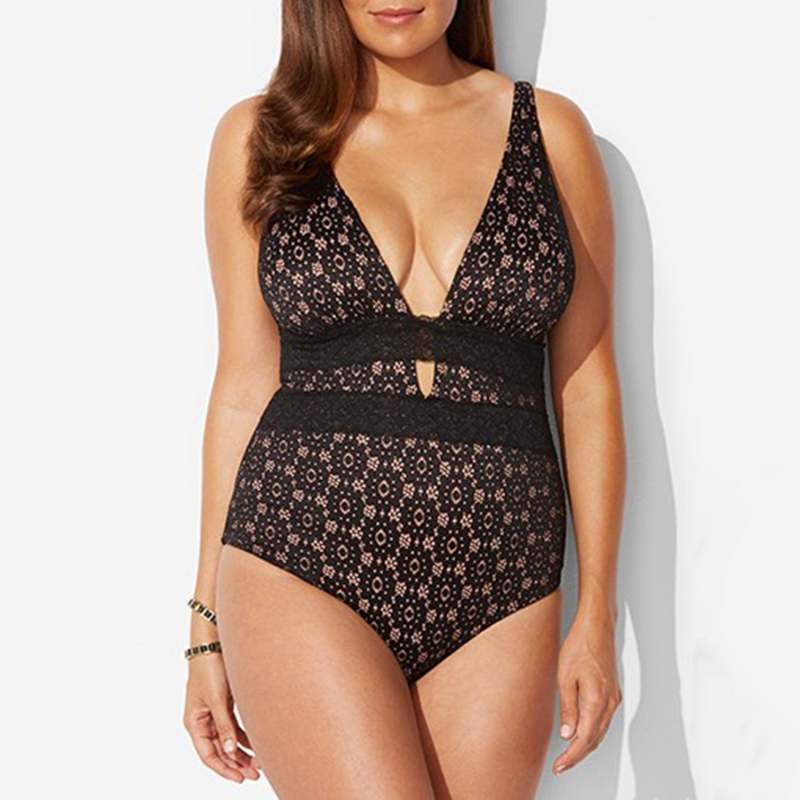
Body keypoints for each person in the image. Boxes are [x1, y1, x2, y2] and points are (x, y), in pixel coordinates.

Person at [183, 2, 625, 796]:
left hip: (504, 582)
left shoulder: (551, 134)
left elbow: (587, 385)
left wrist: (598, 611)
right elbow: (243, 386)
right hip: (302, 556)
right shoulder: (261, 137)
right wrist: (204, 628)